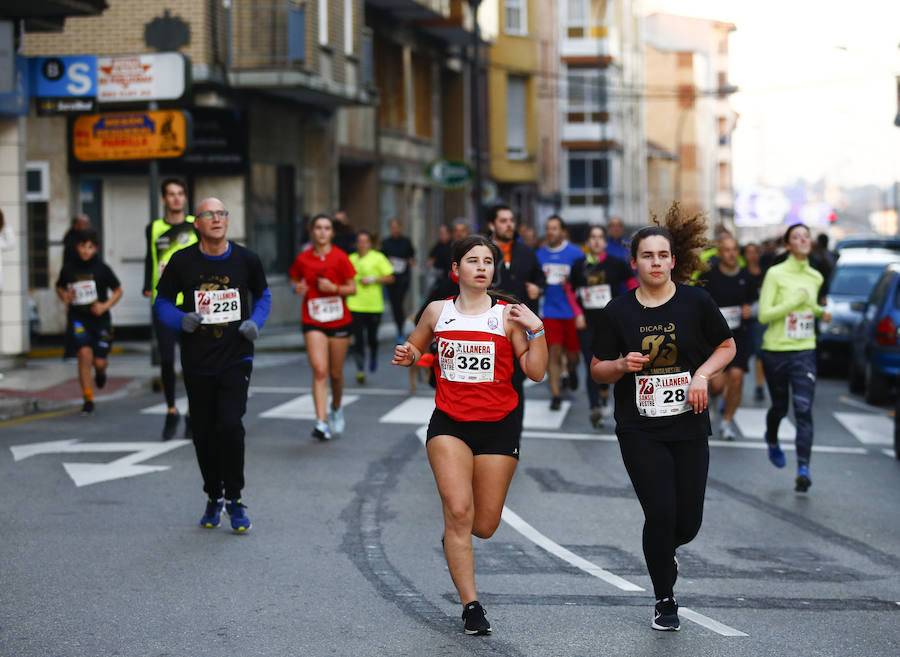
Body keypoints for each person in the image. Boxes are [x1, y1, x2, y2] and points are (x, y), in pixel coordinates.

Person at [392, 235, 547, 636]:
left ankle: (456, 536)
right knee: (459, 512)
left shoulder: (508, 316)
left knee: (485, 525)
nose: (482, 267)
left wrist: (537, 330)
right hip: (450, 425)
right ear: (455, 270)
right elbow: (414, 345)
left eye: (488, 261)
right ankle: (471, 606)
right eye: (473, 260)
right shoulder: (436, 311)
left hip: (499, 426)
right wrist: (408, 353)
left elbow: (535, 371)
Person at [590, 204, 736, 632]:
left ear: (673, 260)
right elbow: (598, 367)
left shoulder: (696, 302)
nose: (655, 263)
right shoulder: (618, 311)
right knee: (660, 512)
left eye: (662, 255)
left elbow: (727, 346)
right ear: (634, 263)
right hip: (639, 427)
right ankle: (664, 597)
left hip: (688, 420)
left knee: (687, 521)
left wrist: (702, 376)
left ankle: (663, 549)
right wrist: (620, 366)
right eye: (647, 256)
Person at [153, 197, 271, 533]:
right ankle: (213, 495)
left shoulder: (246, 259)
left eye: (221, 213)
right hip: (197, 359)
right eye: (209, 214)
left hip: (236, 356)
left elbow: (263, 295)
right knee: (204, 433)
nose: (216, 219)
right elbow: (161, 302)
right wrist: (180, 319)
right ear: (197, 223)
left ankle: (234, 499)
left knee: (230, 425)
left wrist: (256, 323)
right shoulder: (182, 261)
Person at [758, 223, 830, 493]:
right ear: (787, 245)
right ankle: (772, 438)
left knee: (803, 409)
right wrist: (794, 303)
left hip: (804, 349)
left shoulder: (815, 276)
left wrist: (822, 313)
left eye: (806, 236)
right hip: (776, 351)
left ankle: (803, 468)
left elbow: (810, 307)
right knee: (779, 406)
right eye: (796, 237)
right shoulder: (775, 274)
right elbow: (764, 315)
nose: (803, 240)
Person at [288, 213, 357, 440]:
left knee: (335, 374)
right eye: (318, 228)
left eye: (327, 228)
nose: (322, 232)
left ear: (332, 233)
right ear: (312, 231)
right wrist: (296, 288)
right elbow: (293, 280)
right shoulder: (303, 258)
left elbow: (352, 289)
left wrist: (334, 288)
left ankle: (336, 407)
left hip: (339, 321)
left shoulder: (341, 258)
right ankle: (321, 422)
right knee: (320, 370)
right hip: (313, 320)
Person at [143, 178, 197, 440]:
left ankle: (190, 414)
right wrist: (146, 285)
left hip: (191, 304)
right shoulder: (154, 228)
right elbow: (150, 258)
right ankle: (171, 410)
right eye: (170, 194)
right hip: (163, 303)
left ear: (185, 198)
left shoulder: (195, 225)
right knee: (166, 360)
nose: (175, 199)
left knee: (191, 361)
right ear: (164, 199)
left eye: (179, 194)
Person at [570, 224, 637, 427]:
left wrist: (626, 309)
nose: (597, 240)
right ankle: (595, 407)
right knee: (592, 364)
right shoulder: (578, 265)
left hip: (612, 323)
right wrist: (578, 313)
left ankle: (607, 397)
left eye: (600, 237)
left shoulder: (616, 264)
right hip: (588, 323)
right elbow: (570, 290)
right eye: (593, 237)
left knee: (614, 364)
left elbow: (633, 285)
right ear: (588, 242)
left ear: (605, 242)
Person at [487, 204, 546, 433]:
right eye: (503, 220)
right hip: (489, 326)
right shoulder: (483, 251)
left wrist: (537, 288)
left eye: (511, 220)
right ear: (492, 224)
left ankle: (513, 434)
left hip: (519, 328)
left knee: (516, 381)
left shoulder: (525, 252)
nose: (509, 225)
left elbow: (541, 280)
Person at [55, 230, 124, 416]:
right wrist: (64, 296)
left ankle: (100, 373)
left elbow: (118, 290)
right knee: (84, 353)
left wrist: (104, 306)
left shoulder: (102, 268)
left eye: (90, 247)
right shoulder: (68, 268)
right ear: (77, 247)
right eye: (82, 247)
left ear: (96, 248)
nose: (86, 251)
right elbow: (59, 286)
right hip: (79, 318)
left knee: (99, 361)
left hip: (101, 320)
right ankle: (88, 398)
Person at [699, 235, 757, 440]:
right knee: (716, 385)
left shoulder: (746, 277)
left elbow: (755, 303)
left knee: (737, 377)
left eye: (734, 249)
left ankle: (726, 421)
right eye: (727, 250)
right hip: (713, 339)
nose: (731, 254)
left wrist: (751, 310)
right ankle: (715, 401)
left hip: (738, 337)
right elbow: (698, 304)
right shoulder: (709, 276)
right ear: (719, 254)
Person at [536, 215, 584, 409]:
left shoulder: (575, 253)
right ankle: (555, 394)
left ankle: (571, 371)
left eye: (554, 228)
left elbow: (582, 280)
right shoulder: (538, 255)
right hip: (549, 311)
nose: (550, 232)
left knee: (573, 356)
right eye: (548, 228)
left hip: (571, 311)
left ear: (562, 231)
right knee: (553, 353)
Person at [346, 230, 394, 384]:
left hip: (373, 305)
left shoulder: (378, 257)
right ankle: (360, 369)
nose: (362, 244)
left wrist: (373, 279)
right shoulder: (350, 259)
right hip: (354, 304)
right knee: (358, 339)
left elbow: (390, 277)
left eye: (365, 241)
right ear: (356, 244)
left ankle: (373, 354)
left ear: (370, 243)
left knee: (372, 338)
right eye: (359, 241)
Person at [381, 219, 415, 342]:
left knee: (399, 304)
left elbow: (412, 257)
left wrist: (410, 261)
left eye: (397, 227)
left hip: (403, 277)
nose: (395, 229)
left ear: (400, 227)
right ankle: (399, 328)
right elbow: (382, 258)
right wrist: (387, 261)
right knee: (395, 305)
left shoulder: (406, 242)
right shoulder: (385, 242)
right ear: (390, 228)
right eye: (392, 227)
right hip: (391, 278)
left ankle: (400, 330)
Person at [742, 242, 767, 402]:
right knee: (741, 354)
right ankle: (733, 388)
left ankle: (759, 386)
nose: (752, 255)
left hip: (759, 319)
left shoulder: (765, 275)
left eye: (755, 252)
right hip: (741, 320)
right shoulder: (741, 274)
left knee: (759, 353)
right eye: (749, 252)